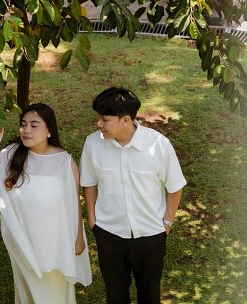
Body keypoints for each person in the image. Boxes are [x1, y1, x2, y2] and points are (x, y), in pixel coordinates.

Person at [0, 102, 92, 304]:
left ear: (49, 130)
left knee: (54, 294)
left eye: (34, 125)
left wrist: (78, 238)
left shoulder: (64, 161)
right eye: (23, 124)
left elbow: (74, 203)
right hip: (23, 241)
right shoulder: (11, 154)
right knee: (29, 295)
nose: (26, 130)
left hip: (55, 243)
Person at [79, 86, 186, 304]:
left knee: (149, 295)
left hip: (151, 235)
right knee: (115, 296)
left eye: (105, 120)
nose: (99, 124)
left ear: (125, 120)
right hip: (109, 233)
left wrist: (166, 223)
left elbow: (175, 187)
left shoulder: (158, 145)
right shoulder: (93, 144)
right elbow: (89, 183)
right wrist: (93, 220)